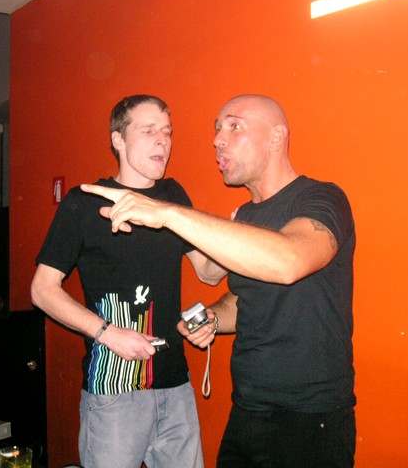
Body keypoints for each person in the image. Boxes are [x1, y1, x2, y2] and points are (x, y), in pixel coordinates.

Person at [81, 94, 356, 467]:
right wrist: (212, 317)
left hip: (311, 417)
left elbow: (289, 261)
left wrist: (167, 213)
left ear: (277, 137)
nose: (217, 140)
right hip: (247, 409)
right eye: (217, 129)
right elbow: (243, 299)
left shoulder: (322, 198)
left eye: (234, 126)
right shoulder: (246, 216)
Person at [30, 94, 225, 468]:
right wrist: (108, 333)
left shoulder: (172, 196)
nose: (162, 141)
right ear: (117, 139)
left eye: (167, 132)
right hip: (114, 390)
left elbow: (208, 271)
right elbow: (42, 290)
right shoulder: (84, 202)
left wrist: (230, 234)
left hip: (176, 384)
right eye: (149, 130)